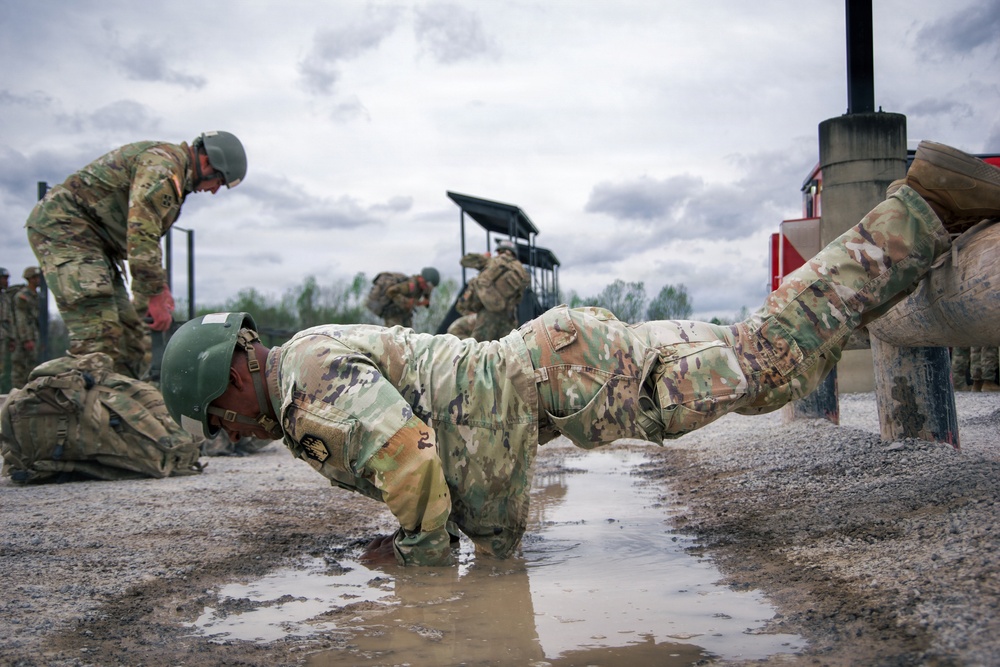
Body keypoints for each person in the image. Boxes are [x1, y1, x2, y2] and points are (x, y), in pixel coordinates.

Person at [160, 140, 1000, 568]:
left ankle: (923, 207)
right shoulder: (307, 358)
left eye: (217, 415)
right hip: (565, 359)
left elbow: (411, 460)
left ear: (233, 373)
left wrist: (418, 556)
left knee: (768, 362)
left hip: (570, 373)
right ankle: (921, 224)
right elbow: (431, 431)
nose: (227, 431)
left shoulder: (303, 388)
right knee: (761, 353)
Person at [25, 131, 247, 379]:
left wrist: (160, 287)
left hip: (96, 243)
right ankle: (42, 396)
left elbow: (148, 235)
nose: (214, 191)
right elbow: (141, 232)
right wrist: (154, 294)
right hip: (66, 228)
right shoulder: (163, 166)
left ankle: (116, 400)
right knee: (98, 342)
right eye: (219, 182)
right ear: (207, 163)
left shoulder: (174, 173)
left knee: (129, 342)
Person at [455, 239, 531, 341]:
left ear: (499, 251)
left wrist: (484, 257)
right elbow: (519, 297)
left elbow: (464, 261)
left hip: (488, 314)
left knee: (479, 346)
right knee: (506, 347)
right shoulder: (522, 272)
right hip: (509, 317)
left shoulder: (492, 261)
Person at [365, 268, 440, 328]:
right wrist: (407, 301)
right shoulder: (411, 286)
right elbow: (390, 291)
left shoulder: (423, 288)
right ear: (421, 279)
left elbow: (427, 294)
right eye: (427, 285)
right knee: (394, 336)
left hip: (405, 314)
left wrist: (426, 300)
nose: (427, 288)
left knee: (409, 335)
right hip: (394, 313)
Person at [10, 267, 42, 389]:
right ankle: (17, 393)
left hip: (33, 335)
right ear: (30, 279)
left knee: (31, 367)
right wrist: (26, 339)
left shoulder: (35, 296)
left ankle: (28, 391)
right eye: (37, 277)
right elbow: (21, 319)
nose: (39, 280)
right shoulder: (22, 296)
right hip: (23, 338)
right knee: (20, 368)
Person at [0, 267, 13, 392]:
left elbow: (9, 319)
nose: (6, 281)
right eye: (3, 278)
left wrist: (11, 337)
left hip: (3, 336)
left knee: (1, 367)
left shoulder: (5, 297)